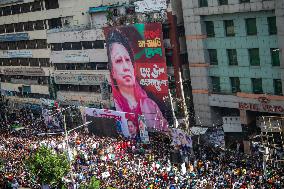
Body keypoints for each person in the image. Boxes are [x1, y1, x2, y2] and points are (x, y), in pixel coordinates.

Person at [106, 28, 168, 131]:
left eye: (127, 60)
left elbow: (165, 130)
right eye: (118, 61)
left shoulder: (150, 105)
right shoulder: (116, 106)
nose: (126, 67)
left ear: (133, 66)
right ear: (112, 71)